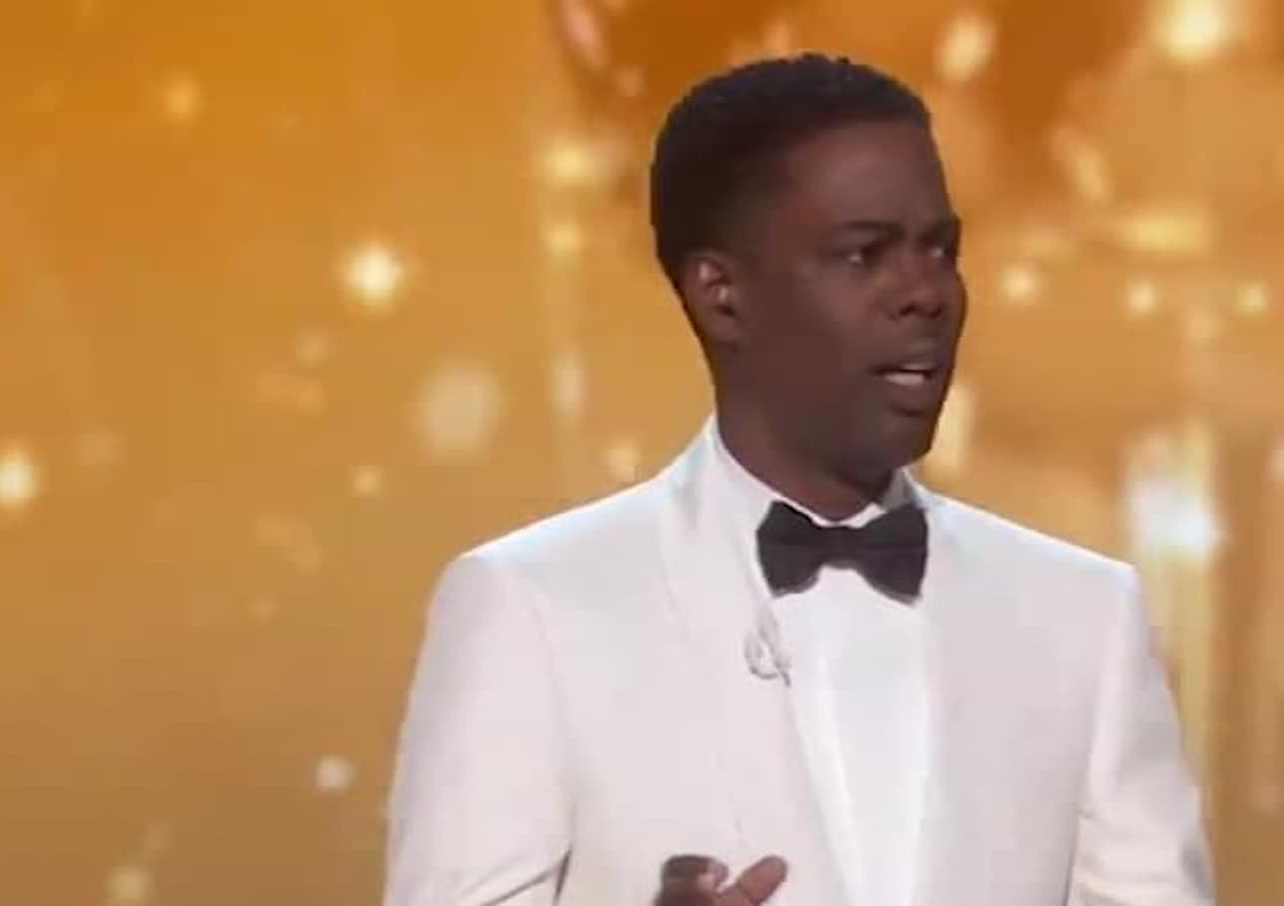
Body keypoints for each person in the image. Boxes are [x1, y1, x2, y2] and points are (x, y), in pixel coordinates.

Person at [383, 53, 1213, 906]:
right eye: (863, 254)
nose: (925, 293)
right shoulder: (535, 606)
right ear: (721, 294)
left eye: (939, 249)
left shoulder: (1083, 615)